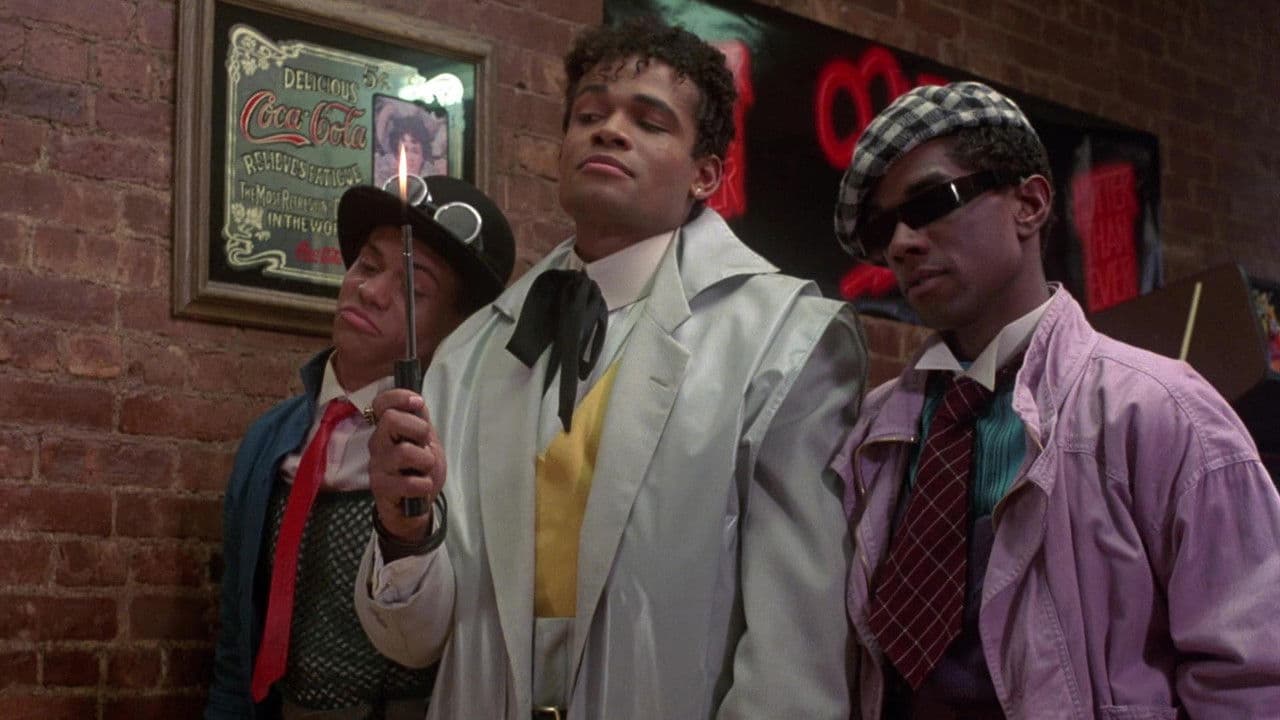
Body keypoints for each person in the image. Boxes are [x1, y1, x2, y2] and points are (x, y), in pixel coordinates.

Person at [352, 17, 868, 719]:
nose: (609, 132)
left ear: (706, 173)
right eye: (589, 115)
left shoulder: (783, 342)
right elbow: (415, 643)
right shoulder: (470, 352)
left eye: (649, 122)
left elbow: (793, 664)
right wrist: (404, 533)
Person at [831, 81, 1280, 719]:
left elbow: (1254, 675)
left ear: (1030, 204)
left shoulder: (1158, 409)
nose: (902, 243)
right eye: (883, 229)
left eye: (931, 202)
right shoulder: (877, 429)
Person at [204, 175, 515, 720]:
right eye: (368, 266)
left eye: (412, 290)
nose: (370, 291)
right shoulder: (270, 440)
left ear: (455, 329)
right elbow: (236, 638)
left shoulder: (457, 450)